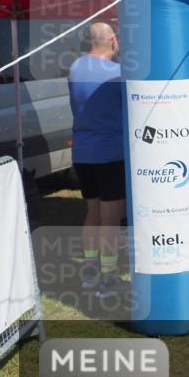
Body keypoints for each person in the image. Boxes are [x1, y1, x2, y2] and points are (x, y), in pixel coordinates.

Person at [68, 23, 126, 293]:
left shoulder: (75, 67)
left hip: (82, 152)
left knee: (93, 214)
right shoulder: (118, 74)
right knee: (111, 220)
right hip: (109, 153)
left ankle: (89, 275)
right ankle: (108, 278)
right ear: (113, 40)